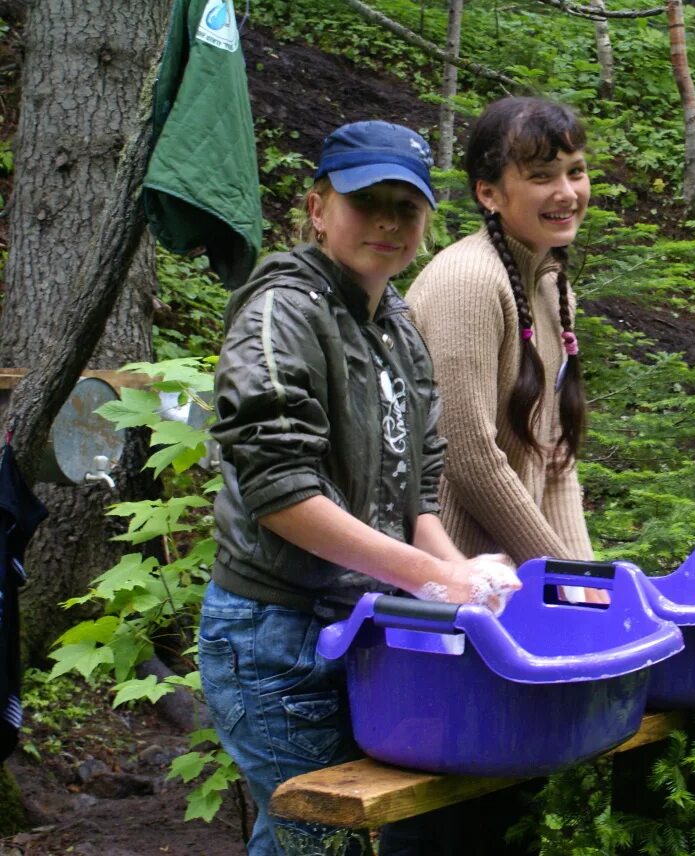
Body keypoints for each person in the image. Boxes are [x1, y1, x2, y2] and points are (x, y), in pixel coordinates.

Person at [199, 120, 519, 856]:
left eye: (404, 207)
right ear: (317, 208)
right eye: (364, 200)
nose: (386, 221)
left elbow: (420, 484)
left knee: (330, 840)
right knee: (321, 840)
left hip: (363, 630)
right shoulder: (283, 313)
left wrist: (458, 575)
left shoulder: (398, 322)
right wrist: (433, 577)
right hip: (275, 632)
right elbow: (280, 495)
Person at [406, 97, 596, 574]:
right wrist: (558, 576)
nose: (567, 192)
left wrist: (588, 584)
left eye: (575, 172)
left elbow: (556, 456)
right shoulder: (468, 281)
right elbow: (467, 457)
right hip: (445, 578)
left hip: (511, 578)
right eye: (541, 177)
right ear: (489, 194)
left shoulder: (550, 282)